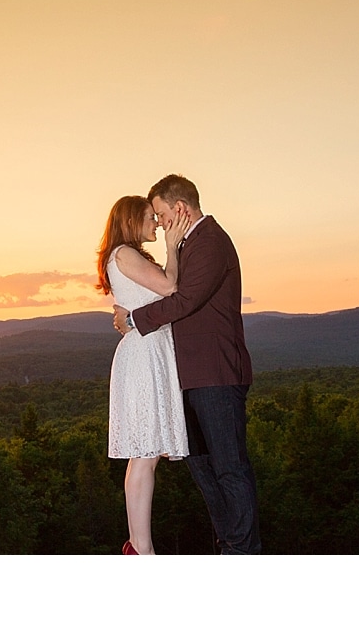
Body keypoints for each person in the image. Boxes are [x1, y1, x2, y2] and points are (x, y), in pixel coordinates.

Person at [113, 174, 262, 554]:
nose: (160, 222)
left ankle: (242, 552)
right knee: (203, 469)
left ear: (180, 208)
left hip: (216, 373)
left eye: (161, 213)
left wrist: (134, 320)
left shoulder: (210, 241)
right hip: (188, 377)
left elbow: (185, 299)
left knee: (229, 469)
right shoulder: (188, 244)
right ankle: (228, 542)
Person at [97, 194, 191, 555]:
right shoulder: (124, 253)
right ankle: (141, 549)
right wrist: (172, 246)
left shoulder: (121, 255)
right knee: (145, 453)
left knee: (145, 454)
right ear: (131, 220)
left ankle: (139, 546)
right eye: (150, 218)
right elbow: (170, 287)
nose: (156, 223)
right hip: (145, 353)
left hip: (147, 349)